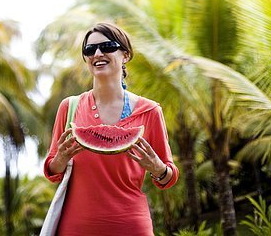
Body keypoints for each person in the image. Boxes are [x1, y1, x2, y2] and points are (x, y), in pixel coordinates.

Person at [43, 22, 179, 236]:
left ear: (125, 55)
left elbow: (169, 177)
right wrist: (60, 159)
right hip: (76, 228)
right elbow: (52, 171)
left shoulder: (149, 111)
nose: (97, 53)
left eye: (107, 47)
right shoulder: (69, 107)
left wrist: (157, 168)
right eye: (90, 50)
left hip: (131, 226)